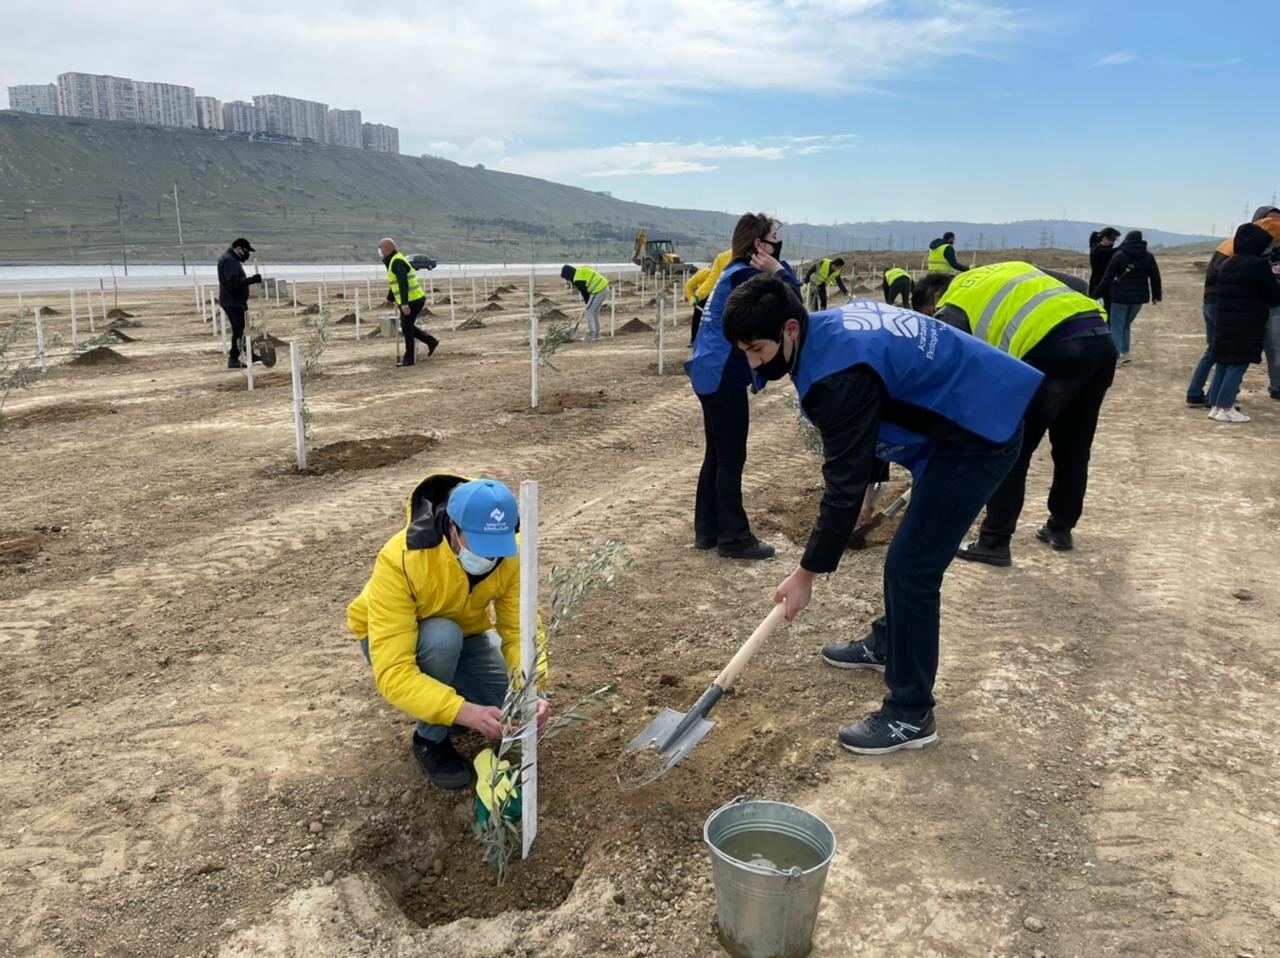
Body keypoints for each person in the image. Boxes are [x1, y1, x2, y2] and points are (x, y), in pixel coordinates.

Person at [721, 275, 1041, 755]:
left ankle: (911, 714)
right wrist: (874, 485)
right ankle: (892, 642)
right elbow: (874, 409)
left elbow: (841, 488)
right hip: (967, 412)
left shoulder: (835, 378)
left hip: (980, 433)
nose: (753, 364)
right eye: (743, 352)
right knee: (908, 558)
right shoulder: (826, 334)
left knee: (912, 566)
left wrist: (805, 574)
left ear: (790, 328)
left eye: (757, 349)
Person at [347, 475, 549, 789]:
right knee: (442, 638)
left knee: (510, 707)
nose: (489, 558)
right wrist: (464, 711)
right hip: (403, 639)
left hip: (468, 634)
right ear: (452, 528)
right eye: (480, 545)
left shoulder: (511, 554)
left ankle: (448, 708)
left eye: (498, 547)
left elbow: (520, 632)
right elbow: (395, 671)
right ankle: (430, 739)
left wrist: (531, 689)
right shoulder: (402, 558)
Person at [911, 263, 1116, 566]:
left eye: (930, 315)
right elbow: (1077, 283)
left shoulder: (954, 299)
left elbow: (947, 367)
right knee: (1074, 446)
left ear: (936, 297)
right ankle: (1060, 528)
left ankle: (994, 542)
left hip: (1054, 349)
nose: (935, 322)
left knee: (1009, 446)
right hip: (1099, 340)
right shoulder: (1005, 270)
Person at [685, 213, 800, 560]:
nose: (778, 242)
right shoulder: (749, 276)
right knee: (732, 458)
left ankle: (707, 532)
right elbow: (794, 303)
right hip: (723, 374)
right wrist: (778, 270)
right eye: (774, 237)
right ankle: (734, 539)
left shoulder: (732, 272)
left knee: (717, 455)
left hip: (707, 371)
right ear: (758, 244)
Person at [1189, 206, 1280, 407]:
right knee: (1229, 355)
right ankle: (1219, 401)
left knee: (1219, 353)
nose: (1275, 227)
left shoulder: (1240, 246)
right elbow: (1264, 288)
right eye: (1271, 222)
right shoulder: (1247, 253)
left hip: (1222, 305)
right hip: (1226, 307)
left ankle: (1206, 397)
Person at [1095, 230, 1161, 364]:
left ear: (1127, 240)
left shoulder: (1119, 255)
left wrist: (1096, 294)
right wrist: (1156, 295)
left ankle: (1115, 357)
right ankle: (1125, 353)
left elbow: (1107, 277)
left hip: (1120, 297)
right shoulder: (1148, 256)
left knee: (1116, 326)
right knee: (1126, 325)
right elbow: (1155, 277)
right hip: (1138, 299)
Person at [379, 237, 438, 367]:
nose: (379, 250)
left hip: (413, 300)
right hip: (410, 299)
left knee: (407, 327)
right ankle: (431, 342)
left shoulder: (397, 262)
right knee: (407, 326)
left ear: (387, 248)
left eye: (380, 247)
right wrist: (390, 298)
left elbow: (403, 284)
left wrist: (405, 303)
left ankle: (409, 359)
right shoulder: (393, 260)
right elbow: (394, 283)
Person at [216, 238, 275, 369]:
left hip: (236, 301)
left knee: (242, 329)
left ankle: (250, 354)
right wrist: (252, 280)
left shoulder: (230, 259)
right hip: (232, 301)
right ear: (239, 249)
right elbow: (234, 283)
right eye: (246, 250)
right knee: (238, 330)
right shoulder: (229, 261)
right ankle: (233, 359)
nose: (247, 254)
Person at [560, 264, 609, 342]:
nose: (568, 281)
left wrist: (587, 303)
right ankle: (596, 335)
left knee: (589, 311)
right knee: (594, 312)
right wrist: (588, 302)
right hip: (604, 288)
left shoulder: (578, 279)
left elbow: (585, 293)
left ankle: (591, 335)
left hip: (598, 290)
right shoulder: (580, 270)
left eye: (567, 278)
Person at [1087, 227, 1121, 308]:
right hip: (1100, 285)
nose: (1113, 242)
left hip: (1098, 284)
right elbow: (1115, 250)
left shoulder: (1096, 247)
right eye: (1112, 240)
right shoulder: (1100, 251)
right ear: (1105, 238)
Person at [684, 267, 711, 346]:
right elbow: (688, 285)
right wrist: (692, 301)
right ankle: (694, 339)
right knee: (697, 318)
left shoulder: (721, 275)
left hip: (713, 296)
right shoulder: (703, 273)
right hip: (700, 297)